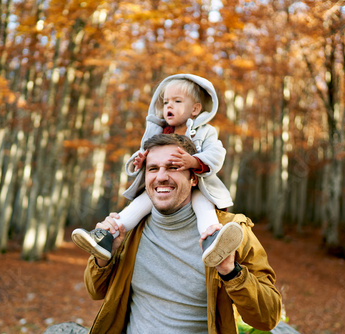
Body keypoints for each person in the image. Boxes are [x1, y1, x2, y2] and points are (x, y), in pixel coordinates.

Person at [83, 133, 282, 334]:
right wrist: (104, 257)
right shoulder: (128, 230)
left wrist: (231, 272)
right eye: (153, 168)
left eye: (173, 167)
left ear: (193, 178)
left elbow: (268, 318)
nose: (161, 176)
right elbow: (95, 290)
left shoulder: (230, 234)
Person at [72, 74, 242, 267]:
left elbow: (217, 154)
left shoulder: (205, 132)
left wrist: (194, 161)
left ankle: (213, 240)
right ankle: (107, 237)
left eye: (177, 101)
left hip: (198, 185)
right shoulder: (159, 132)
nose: (169, 106)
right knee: (135, 207)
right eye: (166, 102)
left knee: (205, 210)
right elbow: (145, 150)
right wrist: (140, 161)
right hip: (165, 187)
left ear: (195, 109)